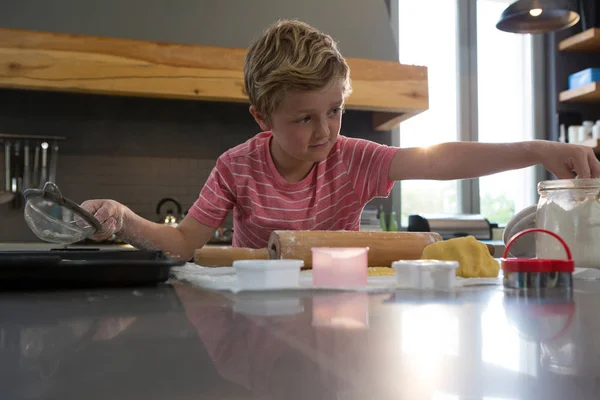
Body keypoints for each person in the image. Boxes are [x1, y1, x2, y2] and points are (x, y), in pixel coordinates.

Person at [81, 19, 600, 261]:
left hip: (341, 308)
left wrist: (538, 150)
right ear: (262, 117)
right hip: (256, 313)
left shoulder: (351, 159)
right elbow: (182, 244)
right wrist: (124, 219)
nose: (326, 131)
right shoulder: (235, 166)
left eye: (335, 110)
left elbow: (440, 161)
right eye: (304, 119)